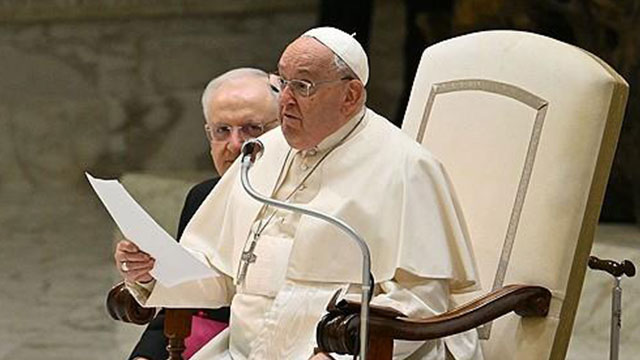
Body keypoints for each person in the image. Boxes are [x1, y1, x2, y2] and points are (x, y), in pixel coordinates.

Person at [118, 27, 482, 360]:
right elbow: (220, 273)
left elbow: (422, 301)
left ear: (350, 95)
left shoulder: (406, 167)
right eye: (284, 83)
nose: (286, 100)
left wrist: (339, 356)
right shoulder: (263, 153)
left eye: (303, 86)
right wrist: (154, 271)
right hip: (245, 350)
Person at [117, 67, 279, 360]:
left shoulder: (310, 201)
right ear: (208, 136)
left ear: (285, 128)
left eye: (252, 128)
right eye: (222, 131)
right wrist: (149, 274)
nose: (235, 145)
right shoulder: (203, 197)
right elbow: (177, 309)